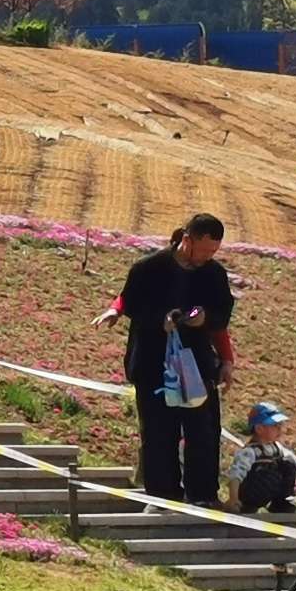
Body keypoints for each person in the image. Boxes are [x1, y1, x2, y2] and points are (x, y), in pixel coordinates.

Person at [106, 213, 235, 509]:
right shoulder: (148, 268)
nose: (206, 258)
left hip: (198, 363)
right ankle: (163, 495)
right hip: (154, 363)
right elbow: (132, 305)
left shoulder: (213, 274)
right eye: (202, 250)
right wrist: (159, 321)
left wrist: (205, 318)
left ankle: (203, 494)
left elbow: (222, 314)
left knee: (203, 430)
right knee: (158, 431)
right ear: (186, 239)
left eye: (213, 252)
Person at [225, 403, 296, 514]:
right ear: (259, 429)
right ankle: (246, 506)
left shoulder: (276, 448)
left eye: (280, 425)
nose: (280, 429)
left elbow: (295, 462)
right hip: (251, 493)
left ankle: (282, 505)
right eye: (275, 425)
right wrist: (233, 498)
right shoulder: (250, 452)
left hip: (267, 490)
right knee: (266, 472)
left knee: (288, 464)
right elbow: (236, 475)